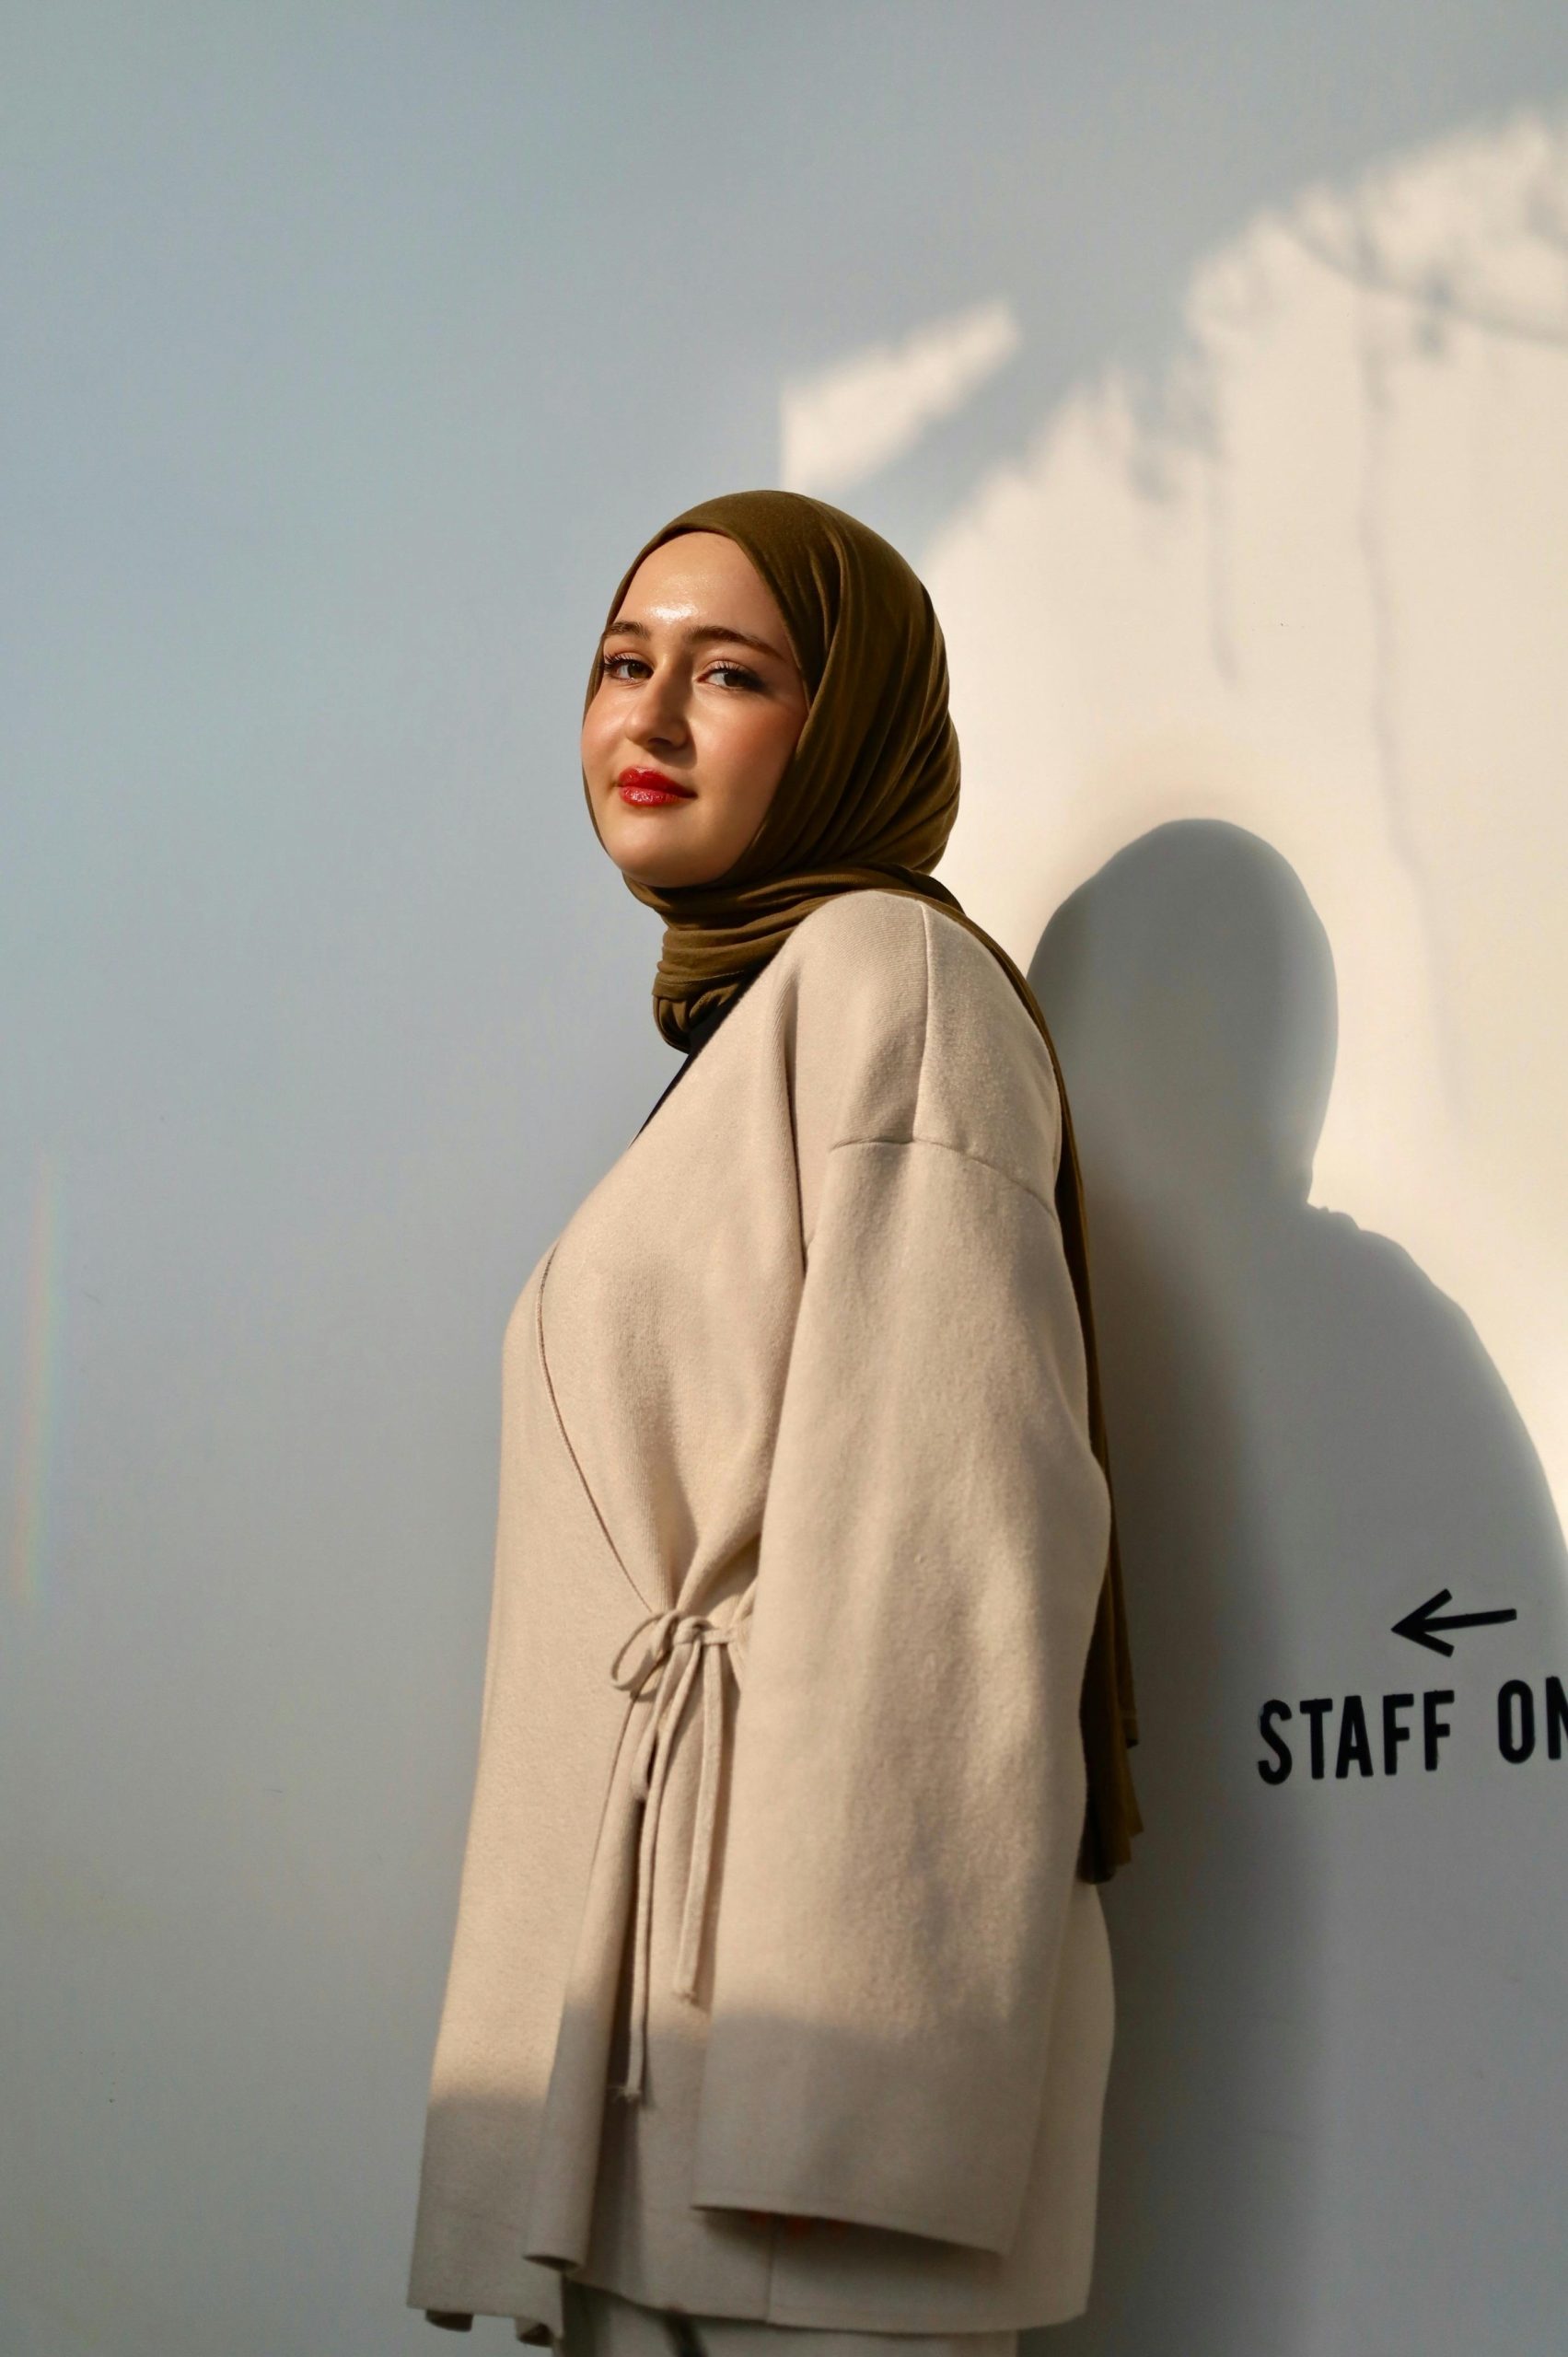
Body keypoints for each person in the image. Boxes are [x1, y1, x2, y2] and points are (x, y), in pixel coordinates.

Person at [406, 492, 1141, 2357]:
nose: (647, 718)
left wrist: (852, 2089)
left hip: (782, 2094)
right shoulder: (749, 1033)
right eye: (619, 663)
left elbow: (944, 1542)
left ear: (852, 723)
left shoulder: (888, 979)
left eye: (729, 672)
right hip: (672, 2031)